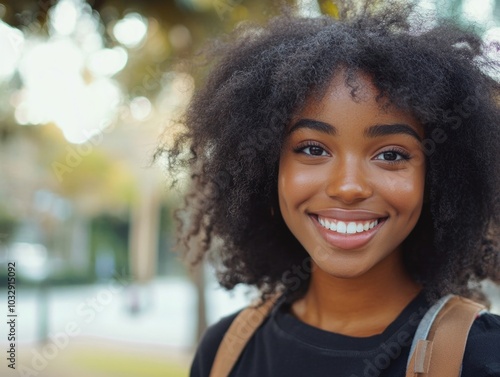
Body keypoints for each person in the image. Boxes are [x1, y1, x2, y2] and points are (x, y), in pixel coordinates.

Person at [158, 0, 500, 375]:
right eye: (312, 149)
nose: (348, 187)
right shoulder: (224, 352)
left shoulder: (480, 357)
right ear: (265, 171)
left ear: (438, 179)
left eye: (390, 155)